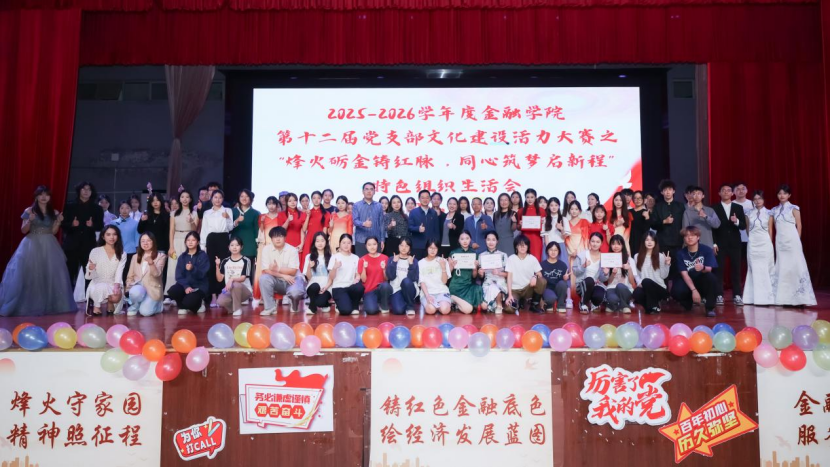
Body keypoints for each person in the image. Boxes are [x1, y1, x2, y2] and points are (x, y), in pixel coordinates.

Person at [0, 185, 77, 317]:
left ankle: (50, 305)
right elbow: (23, 230)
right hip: (32, 243)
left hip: (49, 244)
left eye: (46, 195)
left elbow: (53, 231)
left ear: (49, 197)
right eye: (41, 194)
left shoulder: (54, 212)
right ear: (36, 197)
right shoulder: (29, 210)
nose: (43, 197)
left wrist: (58, 222)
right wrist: (29, 221)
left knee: (50, 274)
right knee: (30, 274)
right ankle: (29, 305)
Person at [771, 185, 816, 306]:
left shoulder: (794, 208)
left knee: (795, 266)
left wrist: (798, 240)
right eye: (779, 193)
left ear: (789, 195)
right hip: (780, 241)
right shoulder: (774, 210)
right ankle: (784, 299)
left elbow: (799, 225)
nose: (782, 195)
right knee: (783, 267)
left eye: (784, 193)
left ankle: (801, 298)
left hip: (792, 240)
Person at [62, 181, 104, 288]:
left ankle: (89, 296)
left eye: (89, 189)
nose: (86, 191)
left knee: (90, 273)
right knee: (70, 273)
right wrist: (71, 224)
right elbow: (62, 224)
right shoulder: (69, 205)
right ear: (79, 190)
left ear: (92, 192)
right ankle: (69, 296)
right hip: (71, 245)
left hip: (88, 245)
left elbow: (100, 226)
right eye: (83, 189)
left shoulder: (97, 208)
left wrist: (92, 225)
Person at [672, 226, 718, 317]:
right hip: (688, 281)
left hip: (701, 279)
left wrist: (702, 267)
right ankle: (688, 302)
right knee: (676, 291)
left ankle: (710, 308)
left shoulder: (707, 250)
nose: (689, 238)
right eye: (686, 235)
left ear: (698, 237)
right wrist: (694, 290)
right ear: (684, 238)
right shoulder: (680, 253)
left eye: (693, 235)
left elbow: (709, 269)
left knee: (711, 278)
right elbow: (684, 274)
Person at [259, 226, 305, 315]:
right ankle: (270, 307)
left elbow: (293, 271)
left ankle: (295, 304)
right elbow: (266, 270)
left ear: (285, 237)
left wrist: (278, 269)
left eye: (280, 236)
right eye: (275, 237)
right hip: (277, 281)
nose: (278, 239)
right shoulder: (266, 249)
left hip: (293, 280)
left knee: (295, 292)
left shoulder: (292, 250)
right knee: (264, 278)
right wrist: (283, 275)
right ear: (271, 239)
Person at [712, 183, 746, 306]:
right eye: (723, 190)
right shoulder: (714, 208)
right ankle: (719, 295)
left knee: (736, 269)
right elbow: (712, 228)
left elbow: (743, 226)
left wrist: (736, 221)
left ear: (732, 193)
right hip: (720, 243)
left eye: (728, 190)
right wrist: (714, 243)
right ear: (719, 193)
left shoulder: (738, 208)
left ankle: (737, 295)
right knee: (719, 270)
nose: (726, 192)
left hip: (735, 243)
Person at [200, 189, 233, 306]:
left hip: (223, 238)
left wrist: (227, 218)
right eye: (215, 197)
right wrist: (203, 245)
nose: (218, 200)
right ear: (211, 199)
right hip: (211, 239)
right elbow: (204, 229)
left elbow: (230, 228)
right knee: (212, 267)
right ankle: (213, 295)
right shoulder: (207, 213)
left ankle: (221, 294)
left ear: (223, 199)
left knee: (223, 265)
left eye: (220, 197)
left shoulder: (227, 210)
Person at [85, 225, 127, 315]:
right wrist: (91, 269)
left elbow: (119, 271)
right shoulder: (95, 251)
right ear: (103, 237)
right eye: (108, 234)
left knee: (115, 297)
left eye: (114, 234)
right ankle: (96, 306)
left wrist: (117, 285)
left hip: (113, 282)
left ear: (118, 236)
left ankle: (110, 302)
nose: (112, 237)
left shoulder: (122, 253)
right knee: (101, 287)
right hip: (97, 282)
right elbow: (89, 276)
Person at [743, 190, 775, 306]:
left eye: (760, 198)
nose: (757, 201)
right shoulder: (748, 213)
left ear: (764, 199)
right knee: (753, 269)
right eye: (755, 199)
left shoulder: (769, 213)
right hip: (753, 243)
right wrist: (752, 240)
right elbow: (748, 229)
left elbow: (770, 230)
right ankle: (752, 298)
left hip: (765, 243)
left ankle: (768, 298)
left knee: (766, 268)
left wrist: (769, 243)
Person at [125, 232, 167, 317]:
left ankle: (158, 306)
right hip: (138, 287)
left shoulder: (161, 256)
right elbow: (130, 275)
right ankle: (135, 306)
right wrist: (128, 287)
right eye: (143, 241)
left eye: (148, 240)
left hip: (152, 289)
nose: (145, 243)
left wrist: (151, 263)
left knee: (145, 312)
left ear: (153, 242)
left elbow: (157, 274)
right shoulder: (135, 257)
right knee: (135, 292)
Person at [166, 190, 198, 300]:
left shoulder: (194, 213)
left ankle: (186, 292)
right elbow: (171, 231)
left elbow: (195, 230)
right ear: (179, 199)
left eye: (187, 197)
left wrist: (191, 221)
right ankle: (170, 294)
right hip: (176, 240)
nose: (184, 199)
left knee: (187, 267)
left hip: (189, 242)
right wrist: (171, 246)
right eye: (182, 197)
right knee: (173, 267)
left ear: (190, 199)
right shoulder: (174, 213)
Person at [169, 231, 210, 314]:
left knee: (189, 302)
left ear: (198, 242)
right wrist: (186, 286)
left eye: (193, 240)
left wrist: (192, 268)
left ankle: (198, 304)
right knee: (173, 291)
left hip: (199, 286)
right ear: (185, 242)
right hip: (186, 286)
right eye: (188, 240)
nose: (190, 242)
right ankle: (183, 306)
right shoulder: (182, 257)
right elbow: (178, 276)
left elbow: (202, 274)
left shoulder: (203, 256)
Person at [252, 196, 283, 306]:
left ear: (277, 205)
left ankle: (278, 296)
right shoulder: (262, 216)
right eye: (269, 203)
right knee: (264, 271)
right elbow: (261, 231)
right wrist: (262, 223)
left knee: (276, 270)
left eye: (273, 203)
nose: (271, 206)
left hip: (277, 246)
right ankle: (263, 296)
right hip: (265, 246)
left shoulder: (280, 216)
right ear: (266, 205)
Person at [505, 234, 547, 314]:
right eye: (520, 245)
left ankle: (534, 305)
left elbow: (540, 274)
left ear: (528, 247)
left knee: (542, 281)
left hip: (528, 288)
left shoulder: (532, 258)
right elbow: (509, 277)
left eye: (525, 245)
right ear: (516, 247)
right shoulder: (511, 259)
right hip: (515, 290)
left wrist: (535, 276)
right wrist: (510, 295)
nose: (522, 247)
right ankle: (519, 302)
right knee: (509, 309)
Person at [632, 232, 672, 314]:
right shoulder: (637, 256)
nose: (649, 242)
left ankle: (652, 306)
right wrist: (639, 283)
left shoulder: (661, 256)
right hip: (645, 287)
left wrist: (667, 264)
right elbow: (637, 274)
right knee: (636, 293)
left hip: (659, 288)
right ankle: (652, 307)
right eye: (647, 240)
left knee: (646, 281)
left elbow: (664, 276)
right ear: (643, 242)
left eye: (652, 240)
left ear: (655, 242)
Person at [326, 233, 364, 315]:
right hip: (338, 288)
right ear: (339, 244)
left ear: (351, 244)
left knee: (359, 287)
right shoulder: (335, 257)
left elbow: (357, 274)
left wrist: (357, 279)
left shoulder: (355, 258)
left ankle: (355, 306)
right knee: (346, 311)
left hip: (351, 287)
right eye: (343, 243)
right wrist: (335, 267)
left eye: (348, 243)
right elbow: (331, 277)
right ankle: (339, 303)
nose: (346, 245)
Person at [215, 236, 252, 317]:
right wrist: (217, 266)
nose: (234, 247)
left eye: (237, 245)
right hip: (230, 290)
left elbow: (243, 278)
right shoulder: (225, 261)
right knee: (220, 301)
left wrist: (231, 279)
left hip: (244, 290)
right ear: (228, 247)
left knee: (235, 284)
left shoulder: (246, 260)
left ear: (241, 247)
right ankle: (233, 309)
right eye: (232, 245)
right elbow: (219, 279)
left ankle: (237, 309)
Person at [138, 193, 170, 286]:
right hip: (147, 248)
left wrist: (167, 249)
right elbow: (140, 230)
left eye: (157, 200)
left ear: (161, 201)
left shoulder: (166, 216)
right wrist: (142, 221)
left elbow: (167, 234)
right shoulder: (146, 215)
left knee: (160, 273)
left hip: (161, 248)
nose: (155, 203)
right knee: (146, 270)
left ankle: (160, 291)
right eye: (153, 201)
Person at [652, 179, 685, 268]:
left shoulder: (680, 206)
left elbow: (684, 223)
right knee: (663, 266)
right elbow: (653, 224)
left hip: (678, 242)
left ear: (674, 191)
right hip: (663, 243)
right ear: (662, 192)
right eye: (665, 190)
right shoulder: (657, 207)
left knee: (677, 267)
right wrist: (664, 221)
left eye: (670, 189)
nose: (667, 192)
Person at [448, 230, 482, 314]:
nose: (465, 241)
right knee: (468, 310)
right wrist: (451, 265)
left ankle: (457, 303)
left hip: (468, 286)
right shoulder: (453, 253)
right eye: (462, 239)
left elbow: (474, 276)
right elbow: (448, 273)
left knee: (479, 292)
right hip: (456, 286)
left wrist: (475, 268)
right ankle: (452, 298)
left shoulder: (474, 254)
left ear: (470, 239)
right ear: (459, 241)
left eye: (467, 238)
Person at [573, 233, 608, 314]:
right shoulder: (582, 255)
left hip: (597, 284)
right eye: (593, 241)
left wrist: (605, 274)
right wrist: (583, 266)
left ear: (601, 243)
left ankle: (593, 303)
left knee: (599, 296)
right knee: (589, 280)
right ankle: (583, 303)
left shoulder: (604, 257)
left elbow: (603, 279)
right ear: (589, 242)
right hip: (583, 285)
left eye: (597, 242)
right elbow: (575, 272)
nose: (595, 244)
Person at [604, 234, 638, 313]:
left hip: (625, 288)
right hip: (612, 288)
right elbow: (609, 282)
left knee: (620, 286)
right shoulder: (607, 259)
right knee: (612, 299)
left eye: (618, 244)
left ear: (623, 245)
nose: (616, 246)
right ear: (610, 245)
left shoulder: (630, 260)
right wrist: (613, 273)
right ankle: (619, 304)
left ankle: (623, 306)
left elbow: (632, 282)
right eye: (613, 244)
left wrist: (629, 269)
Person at [385, 238, 419, 315]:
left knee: (406, 281)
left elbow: (413, 278)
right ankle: (405, 301)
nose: (404, 248)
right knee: (398, 310)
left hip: (409, 289)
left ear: (410, 248)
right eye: (402, 245)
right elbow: (390, 277)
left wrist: (411, 264)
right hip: (396, 289)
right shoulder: (392, 259)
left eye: (406, 246)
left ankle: (410, 306)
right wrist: (394, 263)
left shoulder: (414, 260)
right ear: (398, 246)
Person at [358, 236, 391, 315]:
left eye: (374, 244)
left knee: (385, 286)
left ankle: (384, 305)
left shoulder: (385, 258)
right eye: (369, 245)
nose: (372, 247)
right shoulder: (362, 259)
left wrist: (384, 269)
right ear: (366, 246)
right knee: (371, 311)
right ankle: (374, 303)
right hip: (369, 291)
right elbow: (363, 280)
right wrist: (364, 268)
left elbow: (387, 278)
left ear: (377, 245)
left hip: (381, 289)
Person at [110, 200, 140, 286]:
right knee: (115, 274)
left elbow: (137, 239)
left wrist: (138, 254)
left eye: (127, 208)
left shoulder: (135, 223)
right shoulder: (113, 223)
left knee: (128, 275)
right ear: (118, 209)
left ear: (130, 209)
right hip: (116, 252)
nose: (124, 210)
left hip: (130, 252)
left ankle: (127, 291)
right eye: (122, 208)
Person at [352, 182, 386, 257]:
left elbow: (382, 224)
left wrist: (382, 240)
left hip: (376, 241)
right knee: (362, 262)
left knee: (376, 262)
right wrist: (363, 224)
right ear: (363, 191)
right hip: (361, 240)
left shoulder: (379, 206)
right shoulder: (356, 205)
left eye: (371, 189)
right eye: (366, 189)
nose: (369, 191)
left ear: (374, 192)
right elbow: (354, 221)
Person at [478, 231, 509, 314]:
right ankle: (498, 304)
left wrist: (499, 273)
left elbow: (508, 274)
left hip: (500, 282)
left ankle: (496, 304)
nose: (491, 242)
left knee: (495, 286)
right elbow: (481, 277)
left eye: (493, 240)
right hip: (487, 282)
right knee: (492, 286)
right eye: (488, 240)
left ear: (497, 241)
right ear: (485, 241)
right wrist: (480, 273)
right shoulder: (481, 256)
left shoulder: (503, 255)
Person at [232, 189, 260, 277]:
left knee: (248, 273)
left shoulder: (255, 213)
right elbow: (227, 228)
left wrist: (257, 245)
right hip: (235, 245)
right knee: (234, 273)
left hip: (249, 246)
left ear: (251, 199)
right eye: (242, 196)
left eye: (247, 196)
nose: (244, 198)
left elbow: (256, 230)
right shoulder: (232, 211)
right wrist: (236, 221)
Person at [419, 240, 452, 315]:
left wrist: (443, 267)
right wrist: (427, 296)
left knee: (445, 310)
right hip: (427, 293)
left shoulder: (443, 261)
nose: (433, 250)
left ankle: (443, 304)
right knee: (431, 310)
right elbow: (422, 282)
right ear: (427, 248)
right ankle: (433, 305)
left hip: (442, 291)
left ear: (438, 249)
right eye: (430, 248)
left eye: (435, 248)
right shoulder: (420, 263)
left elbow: (444, 282)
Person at [682, 186, 720, 251]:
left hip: (708, 244)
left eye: (698, 194)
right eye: (694, 194)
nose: (696, 196)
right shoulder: (687, 212)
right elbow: (685, 230)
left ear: (703, 196)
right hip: (693, 245)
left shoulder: (710, 210)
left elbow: (717, 225)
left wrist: (706, 216)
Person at [304, 232, 332, 314]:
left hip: (326, 287)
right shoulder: (309, 257)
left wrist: (326, 287)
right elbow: (309, 277)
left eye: (322, 241)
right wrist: (309, 267)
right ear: (314, 243)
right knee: (315, 286)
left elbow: (332, 277)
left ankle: (325, 303)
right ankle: (312, 308)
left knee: (320, 302)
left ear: (326, 242)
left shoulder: (331, 257)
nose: (320, 243)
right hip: (313, 287)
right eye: (317, 241)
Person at [301, 191, 331, 267]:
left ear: (321, 199)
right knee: (307, 259)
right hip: (309, 239)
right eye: (314, 198)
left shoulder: (326, 213)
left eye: (318, 198)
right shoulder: (307, 212)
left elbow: (325, 229)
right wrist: (308, 216)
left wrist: (323, 241)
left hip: (320, 239)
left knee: (320, 259)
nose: (316, 200)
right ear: (311, 200)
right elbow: (304, 229)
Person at [408, 190, 440, 259]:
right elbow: (409, 227)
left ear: (430, 199)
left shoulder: (433, 213)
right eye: (423, 198)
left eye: (427, 197)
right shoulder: (413, 212)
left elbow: (436, 231)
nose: (425, 200)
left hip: (430, 246)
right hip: (417, 246)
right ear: (419, 199)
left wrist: (436, 245)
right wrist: (418, 229)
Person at [540, 242, 569, 313]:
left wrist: (565, 279)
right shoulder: (542, 265)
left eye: (555, 250)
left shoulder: (562, 265)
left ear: (559, 252)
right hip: (547, 289)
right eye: (551, 250)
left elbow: (565, 283)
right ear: (547, 251)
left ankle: (560, 305)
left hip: (558, 289)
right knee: (551, 298)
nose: (553, 252)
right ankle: (549, 304)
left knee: (563, 284)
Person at [276, 193, 307, 259]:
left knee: (297, 262)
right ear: (286, 202)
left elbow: (303, 230)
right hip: (285, 242)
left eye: (294, 200)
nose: (293, 202)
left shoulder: (302, 214)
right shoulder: (281, 214)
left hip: (298, 242)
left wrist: (302, 244)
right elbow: (281, 230)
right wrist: (288, 220)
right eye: (290, 201)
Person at [516, 188, 544, 261]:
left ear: (535, 198)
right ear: (525, 198)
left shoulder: (541, 210)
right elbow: (518, 227)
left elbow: (545, 227)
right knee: (524, 259)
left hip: (537, 239)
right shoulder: (521, 211)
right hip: (524, 239)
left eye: (532, 197)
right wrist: (520, 225)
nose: (530, 199)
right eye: (527, 197)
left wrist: (543, 223)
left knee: (537, 259)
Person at [733, 182, 753, 276]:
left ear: (747, 190)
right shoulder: (731, 204)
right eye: (738, 189)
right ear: (733, 192)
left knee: (750, 262)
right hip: (736, 238)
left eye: (743, 189)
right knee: (737, 264)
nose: (740, 191)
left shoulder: (752, 203)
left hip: (750, 238)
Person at [541, 197, 569, 263]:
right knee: (547, 266)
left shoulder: (564, 219)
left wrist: (561, 229)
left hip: (560, 246)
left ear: (559, 206)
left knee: (562, 266)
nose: (554, 207)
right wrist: (549, 249)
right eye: (551, 205)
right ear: (548, 207)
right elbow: (546, 236)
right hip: (548, 246)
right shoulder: (545, 219)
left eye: (556, 205)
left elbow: (564, 237)